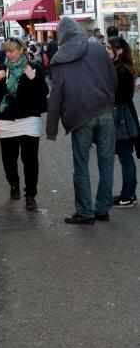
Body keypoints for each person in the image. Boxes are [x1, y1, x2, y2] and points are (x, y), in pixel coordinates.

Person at [47, 16, 117, 224]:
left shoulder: (59, 60)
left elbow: (56, 97)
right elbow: (112, 77)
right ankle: (103, 208)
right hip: (105, 111)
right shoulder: (97, 48)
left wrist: (51, 129)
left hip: (79, 118)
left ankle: (85, 212)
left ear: (61, 36)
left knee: (81, 165)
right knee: (107, 163)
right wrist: (108, 99)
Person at [0, 37, 48, 211]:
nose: (9, 54)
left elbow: (43, 93)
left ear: (21, 50)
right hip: (7, 121)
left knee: (30, 160)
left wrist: (33, 79)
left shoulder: (34, 67)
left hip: (29, 119)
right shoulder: (1, 69)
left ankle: (30, 195)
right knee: (9, 159)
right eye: (7, 51)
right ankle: (13, 184)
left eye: (13, 50)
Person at [106, 36, 139, 207]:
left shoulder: (121, 70)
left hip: (122, 118)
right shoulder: (120, 67)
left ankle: (127, 196)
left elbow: (119, 96)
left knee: (126, 157)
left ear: (119, 50)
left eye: (108, 48)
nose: (106, 50)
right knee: (126, 157)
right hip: (124, 116)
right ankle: (129, 194)